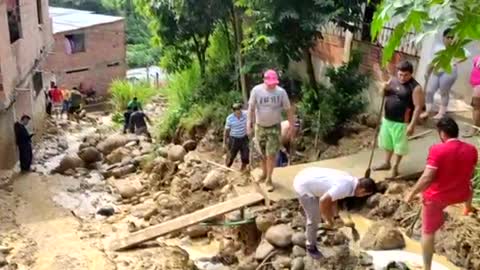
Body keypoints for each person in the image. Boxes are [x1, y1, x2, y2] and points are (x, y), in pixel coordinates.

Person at [405, 117, 477, 270]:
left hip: (437, 198)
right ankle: (467, 208)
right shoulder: (472, 150)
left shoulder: (437, 149)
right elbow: (470, 174)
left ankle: (427, 267)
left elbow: (427, 177)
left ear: (442, 133)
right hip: (461, 193)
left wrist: (412, 193)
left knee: (427, 232)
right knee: (470, 187)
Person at [293, 167, 377, 259]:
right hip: (303, 185)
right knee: (314, 218)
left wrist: (336, 216)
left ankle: (310, 209)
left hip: (308, 174)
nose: (362, 197)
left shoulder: (351, 180)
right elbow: (323, 201)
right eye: (364, 195)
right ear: (362, 191)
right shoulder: (345, 187)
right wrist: (328, 220)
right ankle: (310, 246)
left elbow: (334, 197)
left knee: (323, 207)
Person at [373, 61, 425, 178]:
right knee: (388, 143)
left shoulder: (415, 87)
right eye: (400, 74)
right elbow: (383, 94)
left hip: (402, 122)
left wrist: (412, 125)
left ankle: (395, 166)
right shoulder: (393, 80)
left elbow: (418, 107)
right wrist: (383, 88)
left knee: (399, 146)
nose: (402, 77)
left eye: (406, 75)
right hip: (387, 118)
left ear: (411, 74)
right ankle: (386, 162)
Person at [247, 69, 294, 192]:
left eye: (274, 83)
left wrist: (291, 125)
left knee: (271, 154)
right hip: (260, 127)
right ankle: (264, 173)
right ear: (264, 80)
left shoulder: (281, 92)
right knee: (262, 154)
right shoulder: (256, 91)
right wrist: (249, 124)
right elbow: (251, 108)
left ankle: (269, 179)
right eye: (270, 83)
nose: (272, 85)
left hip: (274, 128)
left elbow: (288, 110)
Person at [421, 28, 470, 120]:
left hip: (449, 72)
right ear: (443, 38)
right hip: (437, 70)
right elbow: (432, 61)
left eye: (452, 38)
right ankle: (428, 111)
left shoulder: (457, 49)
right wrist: (427, 71)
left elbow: (467, 55)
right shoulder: (438, 48)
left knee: (444, 92)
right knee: (429, 91)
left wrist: (456, 61)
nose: (450, 40)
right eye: (448, 37)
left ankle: (441, 113)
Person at [223, 103, 249, 171]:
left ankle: (243, 170)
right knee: (231, 155)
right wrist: (224, 142)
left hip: (244, 138)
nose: (238, 111)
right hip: (233, 139)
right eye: (236, 110)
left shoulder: (245, 114)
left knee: (245, 155)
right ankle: (226, 168)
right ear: (233, 111)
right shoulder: (229, 118)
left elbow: (253, 110)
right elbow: (226, 131)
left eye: (239, 109)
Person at [463, 54, 480, 137]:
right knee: (476, 107)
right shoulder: (478, 56)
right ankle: (477, 127)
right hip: (476, 84)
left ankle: (475, 129)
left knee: (476, 107)